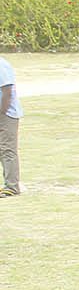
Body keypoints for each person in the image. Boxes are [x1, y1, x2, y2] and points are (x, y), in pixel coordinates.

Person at [0, 55, 19, 197]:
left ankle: (12, 187)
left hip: (6, 114)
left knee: (7, 149)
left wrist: (1, 113)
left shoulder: (2, 65)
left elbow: (7, 91)